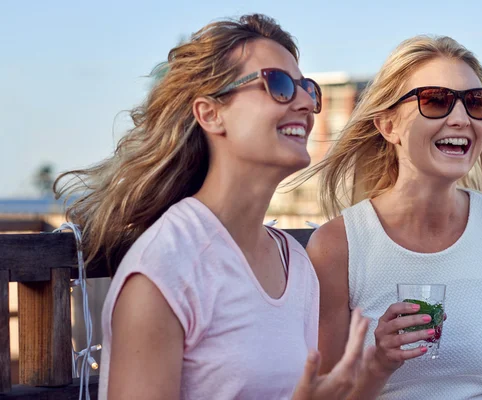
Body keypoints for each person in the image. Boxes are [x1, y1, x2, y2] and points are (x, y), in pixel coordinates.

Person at [55, 14, 375, 400]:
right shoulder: (166, 267)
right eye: (279, 84)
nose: (308, 103)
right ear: (210, 114)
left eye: (309, 89)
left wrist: (376, 372)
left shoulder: (296, 264)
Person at [304, 35, 482, 399]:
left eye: (476, 102)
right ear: (388, 125)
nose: (461, 118)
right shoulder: (337, 245)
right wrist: (378, 364)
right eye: (436, 101)